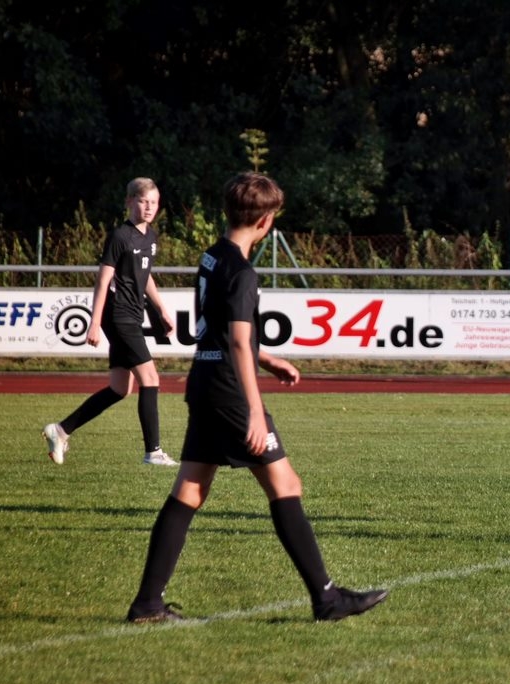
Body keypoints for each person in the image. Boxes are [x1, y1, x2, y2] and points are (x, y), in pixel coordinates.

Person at [126, 171, 387, 623]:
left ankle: (147, 603)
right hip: (229, 391)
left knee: (189, 489)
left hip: (205, 381)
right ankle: (327, 599)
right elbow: (238, 341)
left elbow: (220, 329)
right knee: (286, 485)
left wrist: (267, 358)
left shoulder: (212, 257)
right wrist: (254, 411)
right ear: (265, 221)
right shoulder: (243, 272)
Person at [42, 177, 178, 466]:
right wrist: (94, 323)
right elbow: (103, 281)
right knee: (151, 379)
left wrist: (162, 310)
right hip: (118, 316)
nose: (149, 207)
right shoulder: (120, 236)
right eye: (143, 201)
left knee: (119, 388)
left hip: (133, 315)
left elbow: (145, 276)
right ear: (129, 202)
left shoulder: (150, 237)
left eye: (154, 202)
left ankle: (61, 430)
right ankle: (153, 452)